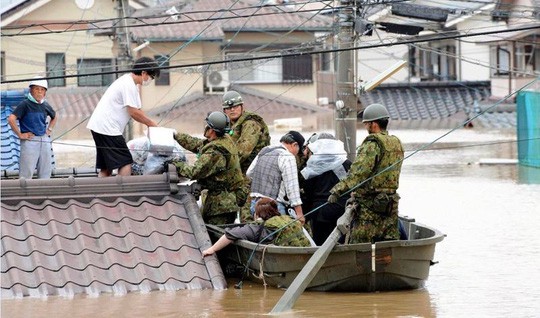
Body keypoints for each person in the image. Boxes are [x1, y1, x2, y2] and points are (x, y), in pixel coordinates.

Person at [328, 103, 404, 244]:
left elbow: (357, 174)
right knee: (389, 247)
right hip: (390, 208)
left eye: (366, 124)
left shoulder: (372, 144)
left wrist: (337, 191)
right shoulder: (397, 142)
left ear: (373, 124)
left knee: (359, 247)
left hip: (369, 209)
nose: (365, 127)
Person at [86, 57, 160, 177]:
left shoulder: (131, 85)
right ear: (144, 73)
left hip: (100, 126)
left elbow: (138, 110)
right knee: (125, 162)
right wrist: (152, 124)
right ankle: (122, 192)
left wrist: (150, 124)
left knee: (106, 167)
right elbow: (133, 112)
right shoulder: (128, 84)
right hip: (108, 128)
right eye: (151, 77)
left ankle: (101, 192)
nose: (150, 80)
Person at [170, 111, 245, 225]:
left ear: (212, 130)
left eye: (208, 126)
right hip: (226, 202)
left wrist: (175, 164)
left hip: (221, 207)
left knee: (216, 238)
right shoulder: (224, 140)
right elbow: (198, 144)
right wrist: (176, 135)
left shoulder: (215, 151)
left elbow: (194, 172)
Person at [202, 197, 310, 256]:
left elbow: (229, 235)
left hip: (288, 257)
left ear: (257, 215)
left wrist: (211, 249)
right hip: (307, 255)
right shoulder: (290, 220)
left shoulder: (258, 228)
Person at [301, 133, 352, 245]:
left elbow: (308, 195)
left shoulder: (312, 167)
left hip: (320, 213)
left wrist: (304, 214)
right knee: (342, 243)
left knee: (321, 245)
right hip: (342, 212)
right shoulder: (347, 164)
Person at [246, 130, 305, 224]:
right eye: (298, 151)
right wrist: (299, 214)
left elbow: (249, 173)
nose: (297, 154)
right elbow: (292, 187)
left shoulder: (265, 149)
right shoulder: (287, 156)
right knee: (278, 237)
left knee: (260, 236)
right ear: (294, 145)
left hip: (256, 205)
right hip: (274, 207)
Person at [8, 76, 57, 179]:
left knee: (45, 170)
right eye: (36, 89)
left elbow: (54, 116)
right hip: (30, 140)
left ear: (45, 93)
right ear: (31, 90)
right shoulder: (25, 104)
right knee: (26, 172)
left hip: (44, 139)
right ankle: (24, 194)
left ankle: (44, 193)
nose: (39, 92)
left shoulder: (45, 105)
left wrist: (49, 129)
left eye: (42, 89)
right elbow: (11, 119)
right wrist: (20, 135)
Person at [221, 90, 271, 174]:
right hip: (238, 170)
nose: (232, 110)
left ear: (242, 107)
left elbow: (243, 151)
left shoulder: (250, 123)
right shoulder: (228, 125)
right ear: (224, 111)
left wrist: (221, 167)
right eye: (229, 108)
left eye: (235, 106)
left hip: (253, 172)